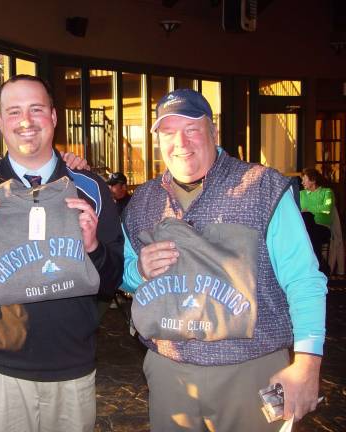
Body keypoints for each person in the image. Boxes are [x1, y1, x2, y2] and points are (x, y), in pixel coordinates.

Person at [122, 89, 327, 431]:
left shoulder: (262, 187)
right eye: (168, 132)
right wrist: (139, 269)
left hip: (251, 370)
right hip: (169, 372)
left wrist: (308, 362)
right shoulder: (143, 200)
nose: (180, 142)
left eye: (191, 128)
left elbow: (304, 279)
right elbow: (125, 273)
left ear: (213, 132)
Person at [0, 74, 123, 432]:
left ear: (53, 117)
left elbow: (111, 282)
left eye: (36, 109)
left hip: (73, 371)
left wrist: (94, 249)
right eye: (14, 111)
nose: (26, 121)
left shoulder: (90, 188)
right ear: (1, 121)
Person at [300, 167, 335, 270]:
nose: (302, 182)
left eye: (304, 179)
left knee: (310, 231)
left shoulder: (327, 192)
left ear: (313, 180)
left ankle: (314, 264)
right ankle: (319, 264)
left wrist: (308, 209)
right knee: (306, 221)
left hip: (323, 228)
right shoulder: (301, 194)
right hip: (305, 229)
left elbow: (327, 209)